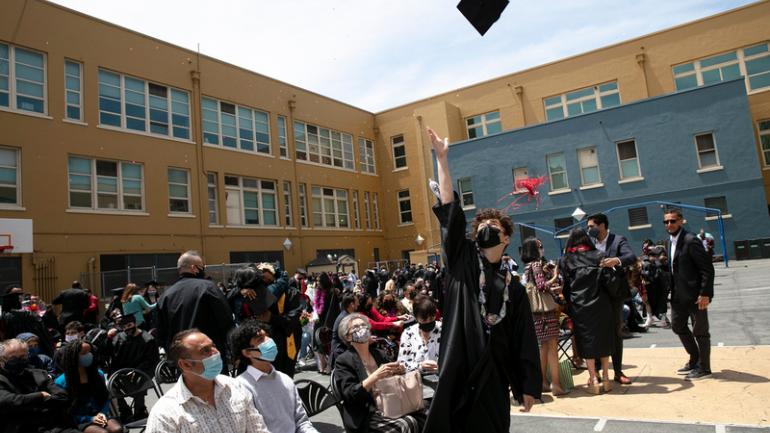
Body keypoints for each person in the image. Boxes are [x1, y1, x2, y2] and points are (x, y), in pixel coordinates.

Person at [425, 127, 541, 433]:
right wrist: (442, 158)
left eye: (495, 227)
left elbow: (524, 337)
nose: (488, 228)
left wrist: (528, 384)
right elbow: (450, 209)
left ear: (506, 240)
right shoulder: (462, 259)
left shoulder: (513, 287)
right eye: (483, 225)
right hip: (458, 370)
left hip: (493, 377)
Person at [145, 329, 269, 433]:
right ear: (186, 365)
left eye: (213, 346)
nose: (215, 353)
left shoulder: (235, 387)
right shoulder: (166, 414)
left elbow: (257, 428)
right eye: (205, 351)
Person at [334, 313, 426, 433]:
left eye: (364, 325)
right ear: (347, 337)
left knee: (424, 415)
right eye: (356, 327)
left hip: (391, 402)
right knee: (406, 423)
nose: (362, 329)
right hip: (366, 412)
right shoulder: (343, 360)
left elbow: (394, 378)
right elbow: (350, 394)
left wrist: (399, 371)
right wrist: (376, 376)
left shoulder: (378, 353)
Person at [231, 320, 319, 433]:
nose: (269, 341)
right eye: (260, 339)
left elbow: (301, 422)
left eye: (267, 336)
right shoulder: (240, 387)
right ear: (247, 352)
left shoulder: (285, 379)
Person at [156, 251, 234, 369]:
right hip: (210, 356)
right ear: (194, 268)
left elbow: (160, 332)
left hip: (183, 361)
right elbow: (226, 320)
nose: (204, 270)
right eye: (202, 267)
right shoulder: (208, 287)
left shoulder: (165, 296)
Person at [559, 228, 614, 394]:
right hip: (602, 303)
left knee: (587, 340)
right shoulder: (599, 255)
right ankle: (605, 377)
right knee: (604, 337)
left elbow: (566, 287)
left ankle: (594, 379)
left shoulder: (566, 260)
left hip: (580, 305)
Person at [586, 213, 637, 385]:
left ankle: (618, 371)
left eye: (591, 226)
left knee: (616, 331)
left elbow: (631, 257)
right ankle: (598, 371)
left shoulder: (618, 240)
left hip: (614, 293)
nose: (589, 229)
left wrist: (616, 260)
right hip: (596, 294)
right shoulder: (589, 243)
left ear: (602, 226)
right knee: (597, 331)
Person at [665, 209, 715, 380]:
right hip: (678, 295)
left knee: (700, 331)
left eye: (673, 221)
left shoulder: (690, 240)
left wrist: (705, 293)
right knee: (677, 326)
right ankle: (695, 359)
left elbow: (706, 268)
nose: (669, 225)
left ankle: (704, 368)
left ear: (681, 221)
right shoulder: (669, 242)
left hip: (696, 295)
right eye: (666, 222)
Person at [520, 237, 568, 396]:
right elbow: (542, 286)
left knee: (543, 347)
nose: (542, 248)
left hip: (535, 313)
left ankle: (542, 382)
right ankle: (556, 384)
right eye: (539, 246)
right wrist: (555, 275)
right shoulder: (536, 264)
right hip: (546, 312)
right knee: (552, 347)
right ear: (534, 249)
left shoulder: (527, 266)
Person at [0, 338, 78, 433]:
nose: (19, 361)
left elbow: (63, 397)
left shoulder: (39, 374)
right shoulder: (2, 379)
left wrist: (28, 404)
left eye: (23, 357)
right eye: (13, 358)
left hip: (54, 426)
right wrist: (40, 395)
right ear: (1, 360)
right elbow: (9, 401)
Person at [54, 340, 123, 433]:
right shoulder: (61, 382)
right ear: (73, 357)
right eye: (84, 353)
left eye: (89, 351)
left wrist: (102, 412)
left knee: (117, 429)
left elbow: (105, 398)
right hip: (79, 419)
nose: (89, 355)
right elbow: (64, 412)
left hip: (99, 414)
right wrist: (89, 419)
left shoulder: (98, 374)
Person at [106, 315, 159, 422]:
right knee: (112, 382)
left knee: (139, 381)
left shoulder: (148, 340)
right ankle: (124, 410)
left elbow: (151, 360)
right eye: (124, 327)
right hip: (121, 372)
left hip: (141, 371)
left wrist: (136, 371)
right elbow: (112, 356)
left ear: (135, 324)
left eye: (129, 325)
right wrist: (108, 338)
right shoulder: (119, 338)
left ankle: (140, 410)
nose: (127, 329)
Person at [397, 295, 441, 373]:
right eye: (424, 319)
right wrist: (420, 366)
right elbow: (402, 364)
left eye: (431, 318)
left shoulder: (443, 329)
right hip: (416, 380)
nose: (428, 322)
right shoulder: (408, 333)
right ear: (416, 317)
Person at [330, 291, 359, 369]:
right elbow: (349, 338)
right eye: (357, 302)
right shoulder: (345, 318)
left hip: (344, 348)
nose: (358, 304)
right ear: (351, 304)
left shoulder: (347, 315)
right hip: (341, 351)